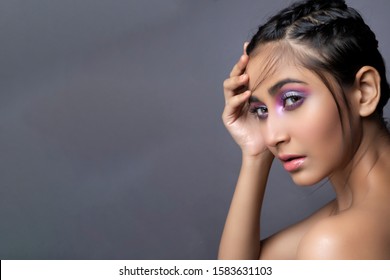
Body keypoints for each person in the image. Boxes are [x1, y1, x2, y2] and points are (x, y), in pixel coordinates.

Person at [218, 0, 390, 259]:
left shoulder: (336, 241)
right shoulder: (359, 214)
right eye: (261, 110)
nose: (273, 137)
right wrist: (255, 153)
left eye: (291, 99)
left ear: (365, 91)